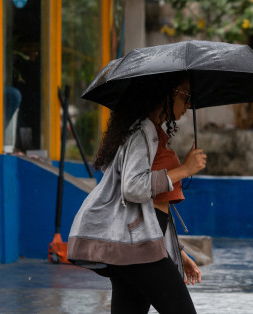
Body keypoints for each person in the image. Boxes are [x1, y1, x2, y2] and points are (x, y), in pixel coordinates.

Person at [67, 72, 207, 313]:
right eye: (185, 95)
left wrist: (177, 251)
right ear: (165, 94)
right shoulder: (142, 132)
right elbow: (134, 188)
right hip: (139, 250)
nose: (188, 104)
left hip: (137, 248)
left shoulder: (151, 133)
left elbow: (152, 208)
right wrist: (184, 169)